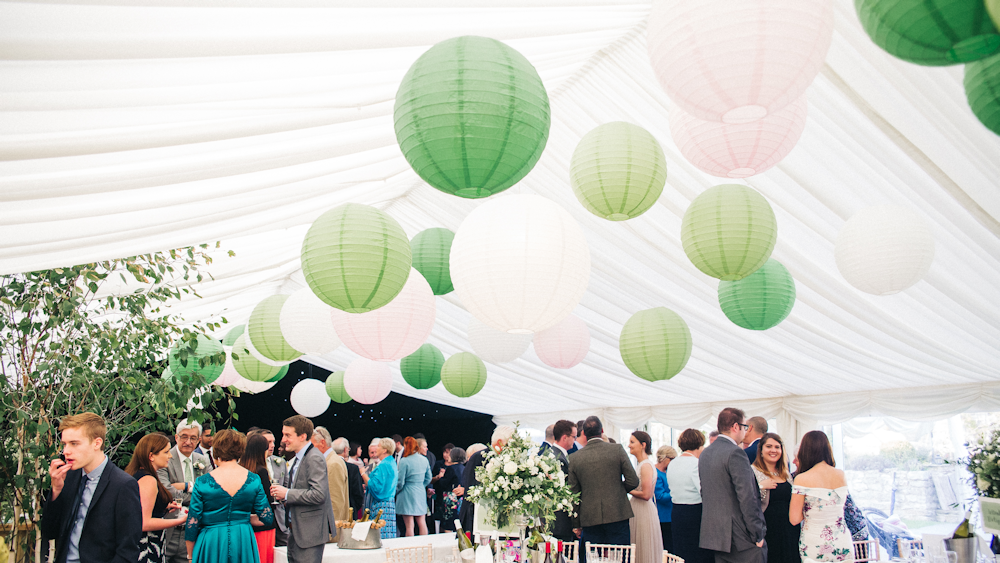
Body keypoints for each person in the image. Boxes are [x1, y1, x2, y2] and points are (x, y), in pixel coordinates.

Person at [41, 412, 143, 563]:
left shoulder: (123, 485)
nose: (66, 451)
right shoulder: (68, 476)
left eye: (74, 443)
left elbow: (128, 551)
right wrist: (56, 490)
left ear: (96, 443)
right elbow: (50, 531)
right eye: (64, 444)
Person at [185, 429, 273, 563]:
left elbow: (193, 522)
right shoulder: (253, 479)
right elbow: (267, 518)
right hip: (242, 538)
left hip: (211, 540)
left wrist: (190, 556)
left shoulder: (202, 482)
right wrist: (241, 517)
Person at [567, 416, 639, 562]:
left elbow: (573, 494)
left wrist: (576, 525)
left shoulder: (575, 458)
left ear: (584, 434)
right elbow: (633, 481)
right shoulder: (617, 449)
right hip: (617, 513)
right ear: (602, 431)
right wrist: (617, 491)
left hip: (589, 517)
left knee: (593, 558)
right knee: (621, 557)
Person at [699, 408, 767, 563]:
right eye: (744, 427)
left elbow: (706, 493)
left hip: (716, 536)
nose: (745, 432)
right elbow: (747, 497)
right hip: (740, 537)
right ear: (735, 427)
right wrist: (758, 534)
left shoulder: (706, 453)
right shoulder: (736, 452)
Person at [269, 415, 336, 563]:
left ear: (303, 436)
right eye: (283, 434)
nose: (283, 439)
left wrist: (286, 493)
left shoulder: (314, 458)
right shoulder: (301, 457)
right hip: (297, 532)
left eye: (288, 435)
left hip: (309, 534)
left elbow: (319, 494)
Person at [789, 431, 853, 563]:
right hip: (842, 542)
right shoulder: (841, 475)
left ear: (805, 451)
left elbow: (794, 519)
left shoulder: (801, 479)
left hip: (815, 543)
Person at [125, 433, 187, 563]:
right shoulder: (148, 480)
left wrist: (163, 507)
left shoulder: (137, 474)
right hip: (147, 546)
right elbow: (144, 522)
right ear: (151, 456)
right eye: (166, 452)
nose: (170, 456)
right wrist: (181, 520)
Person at [158, 419, 212, 563]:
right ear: (176, 437)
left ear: (199, 440)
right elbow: (166, 492)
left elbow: (210, 492)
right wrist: (191, 488)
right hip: (169, 529)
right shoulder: (165, 458)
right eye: (184, 437)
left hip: (194, 530)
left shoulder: (203, 460)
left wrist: (180, 486)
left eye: (193, 438)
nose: (188, 442)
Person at [456, 426, 515, 533]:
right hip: (479, 520)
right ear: (499, 442)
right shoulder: (478, 458)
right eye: (511, 443)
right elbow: (470, 491)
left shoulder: (511, 459)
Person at [751, 434, 800, 563]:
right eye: (769, 446)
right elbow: (745, 499)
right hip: (768, 531)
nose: (773, 450)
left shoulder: (786, 473)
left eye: (777, 447)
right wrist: (760, 486)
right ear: (761, 450)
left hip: (790, 530)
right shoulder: (752, 472)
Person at [667, 429, 711, 563]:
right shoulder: (696, 464)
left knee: (681, 552)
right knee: (696, 553)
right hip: (694, 513)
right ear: (699, 444)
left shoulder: (672, 463)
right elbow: (704, 491)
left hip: (676, 512)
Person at [239, 434, 278, 563]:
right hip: (262, 526)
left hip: (244, 526)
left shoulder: (240, 470)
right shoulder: (261, 471)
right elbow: (267, 500)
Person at [628, 431, 663, 563]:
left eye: (632, 442)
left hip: (643, 511)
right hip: (638, 509)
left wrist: (627, 489)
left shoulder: (646, 466)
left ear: (643, 445)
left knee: (643, 547)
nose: (629, 445)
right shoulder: (641, 464)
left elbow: (647, 494)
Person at [363, 437, 399, 538]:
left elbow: (375, 487)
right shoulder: (391, 462)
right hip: (388, 504)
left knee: (381, 537)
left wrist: (363, 473)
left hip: (382, 506)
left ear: (384, 450)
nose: (376, 448)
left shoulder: (384, 465)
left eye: (379, 446)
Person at [396, 437, 432, 536]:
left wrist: (396, 491)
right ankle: (425, 545)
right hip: (420, 491)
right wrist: (421, 485)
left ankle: (411, 548)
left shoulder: (404, 461)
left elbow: (400, 481)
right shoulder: (424, 460)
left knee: (409, 525)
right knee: (422, 522)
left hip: (406, 492)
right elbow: (429, 478)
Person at [548, 420, 577, 542]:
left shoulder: (551, 453)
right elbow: (565, 490)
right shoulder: (559, 458)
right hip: (559, 520)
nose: (575, 440)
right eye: (574, 437)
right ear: (565, 437)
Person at [323, 436, 350, 539]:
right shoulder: (330, 461)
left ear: (322, 443)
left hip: (332, 531)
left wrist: (330, 530)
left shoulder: (333, 463)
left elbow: (335, 501)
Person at [333, 437, 364, 520]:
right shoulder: (353, 468)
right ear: (345, 450)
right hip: (350, 510)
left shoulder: (326, 466)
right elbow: (359, 493)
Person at [654, 445, 677, 554]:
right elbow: (660, 496)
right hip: (663, 517)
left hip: (670, 515)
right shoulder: (656, 474)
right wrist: (676, 491)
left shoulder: (667, 472)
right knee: (667, 548)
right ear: (666, 459)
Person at [436, 447, 465, 531]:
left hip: (450, 499)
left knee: (448, 524)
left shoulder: (451, 468)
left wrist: (441, 476)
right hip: (460, 499)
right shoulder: (463, 468)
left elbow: (443, 484)